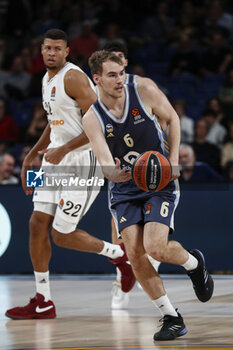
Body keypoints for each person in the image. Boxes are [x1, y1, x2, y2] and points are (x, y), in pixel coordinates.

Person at [83, 50, 214, 341]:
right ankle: (171, 317)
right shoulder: (92, 118)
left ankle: (194, 264)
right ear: (97, 79)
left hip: (158, 179)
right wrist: (114, 174)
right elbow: (104, 162)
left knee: (155, 247)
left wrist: (174, 159)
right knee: (134, 253)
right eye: (112, 75)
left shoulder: (143, 89)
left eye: (121, 73)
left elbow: (173, 119)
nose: (120, 79)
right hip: (124, 189)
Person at [5, 29, 134, 320]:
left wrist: (62, 151)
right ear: (41, 50)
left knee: (61, 235)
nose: (51, 53)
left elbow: (99, 123)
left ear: (67, 51)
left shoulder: (73, 77)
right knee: (37, 223)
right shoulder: (45, 79)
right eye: (47, 48)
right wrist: (30, 155)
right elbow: (54, 123)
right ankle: (43, 301)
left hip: (82, 161)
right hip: (54, 161)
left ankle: (120, 256)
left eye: (57, 49)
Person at [103, 41, 161, 310]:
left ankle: (152, 257)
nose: (116, 66)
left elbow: (162, 119)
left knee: (155, 217)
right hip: (121, 163)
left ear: (125, 62)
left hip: (149, 161)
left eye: (120, 60)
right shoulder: (102, 92)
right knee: (118, 226)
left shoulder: (141, 86)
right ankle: (121, 277)